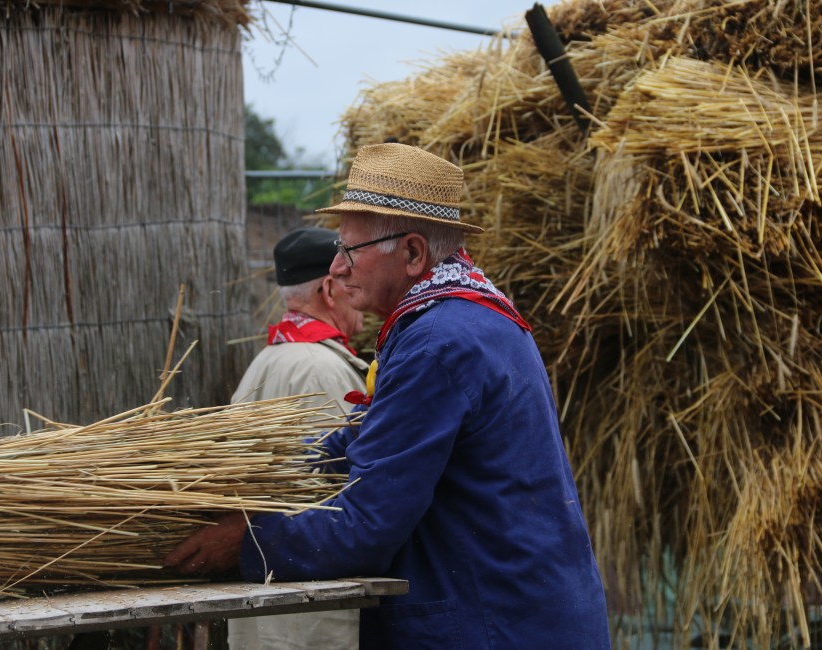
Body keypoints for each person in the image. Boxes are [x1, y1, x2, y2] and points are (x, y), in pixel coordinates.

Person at [165, 143, 611, 648]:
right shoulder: (469, 318)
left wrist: (245, 542)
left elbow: (364, 528)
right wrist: (257, 475)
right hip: (520, 613)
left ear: (413, 254)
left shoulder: (437, 344)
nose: (336, 268)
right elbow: (367, 443)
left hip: (495, 624)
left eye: (349, 251)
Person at [229, 226, 369, 650]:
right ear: (329, 288)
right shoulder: (322, 370)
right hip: (308, 610)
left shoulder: (264, 361)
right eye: (351, 282)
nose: (360, 295)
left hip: (262, 599)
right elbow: (344, 491)